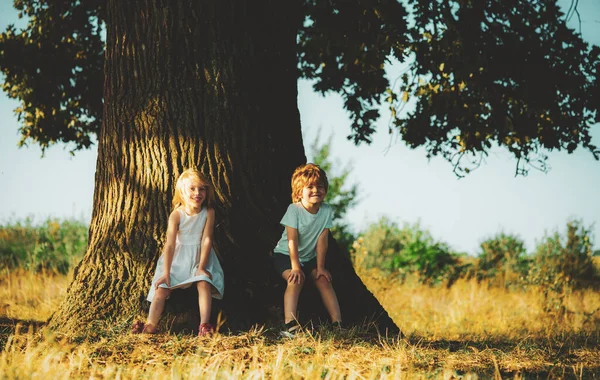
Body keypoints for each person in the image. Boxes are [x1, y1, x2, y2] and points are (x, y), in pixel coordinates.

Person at [132, 168, 225, 337]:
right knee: (162, 288)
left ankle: (204, 325)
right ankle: (150, 325)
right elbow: (170, 245)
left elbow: (207, 240)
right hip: (177, 260)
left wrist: (202, 266)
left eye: (202, 188)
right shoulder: (176, 215)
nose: (198, 193)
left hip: (200, 258)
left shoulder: (208, 213)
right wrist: (166, 272)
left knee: (204, 282)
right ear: (182, 191)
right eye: (192, 188)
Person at [271, 163, 342, 337]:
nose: (316, 190)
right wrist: (295, 267)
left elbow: (322, 241)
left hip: (309, 257)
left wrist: (320, 267)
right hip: (285, 255)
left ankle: (338, 324)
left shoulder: (326, 211)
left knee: (323, 280)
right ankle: (290, 324)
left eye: (320, 186)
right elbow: (292, 241)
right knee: (296, 279)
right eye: (309, 187)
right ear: (299, 192)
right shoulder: (294, 210)